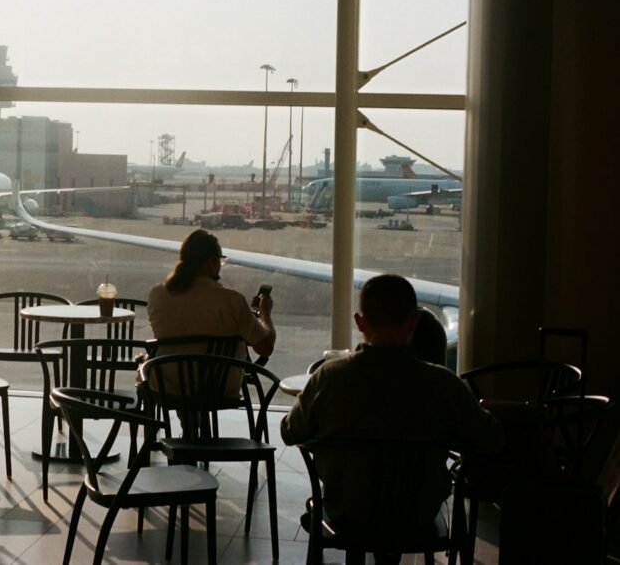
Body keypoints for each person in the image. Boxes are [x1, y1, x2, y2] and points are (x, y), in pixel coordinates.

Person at [280, 274, 502, 539]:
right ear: (414, 322)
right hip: (416, 517)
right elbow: (492, 439)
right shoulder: (444, 384)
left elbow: (289, 432)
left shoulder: (328, 377)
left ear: (359, 322)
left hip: (347, 513)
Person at [145, 229, 276, 395]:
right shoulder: (231, 300)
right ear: (210, 262)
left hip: (166, 385)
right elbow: (265, 347)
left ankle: (190, 419)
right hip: (216, 387)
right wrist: (265, 314)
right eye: (220, 261)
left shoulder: (157, 294)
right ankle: (195, 419)